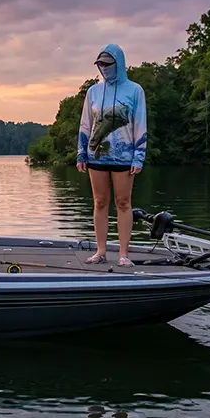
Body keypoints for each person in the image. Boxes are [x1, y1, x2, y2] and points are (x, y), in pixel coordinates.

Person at [76, 43, 148, 267]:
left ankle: (124, 254)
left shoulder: (135, 90)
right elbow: (86, 123)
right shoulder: (93, 92)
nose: (103, 68)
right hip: (96, 156)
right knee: (100, 202)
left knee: (123, 202)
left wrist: (139, 155)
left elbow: (140, 122)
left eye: (107, 64)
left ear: (119, 63)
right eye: (100, 64)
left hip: (125, 157)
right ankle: (100, 251)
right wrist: (81, 153)